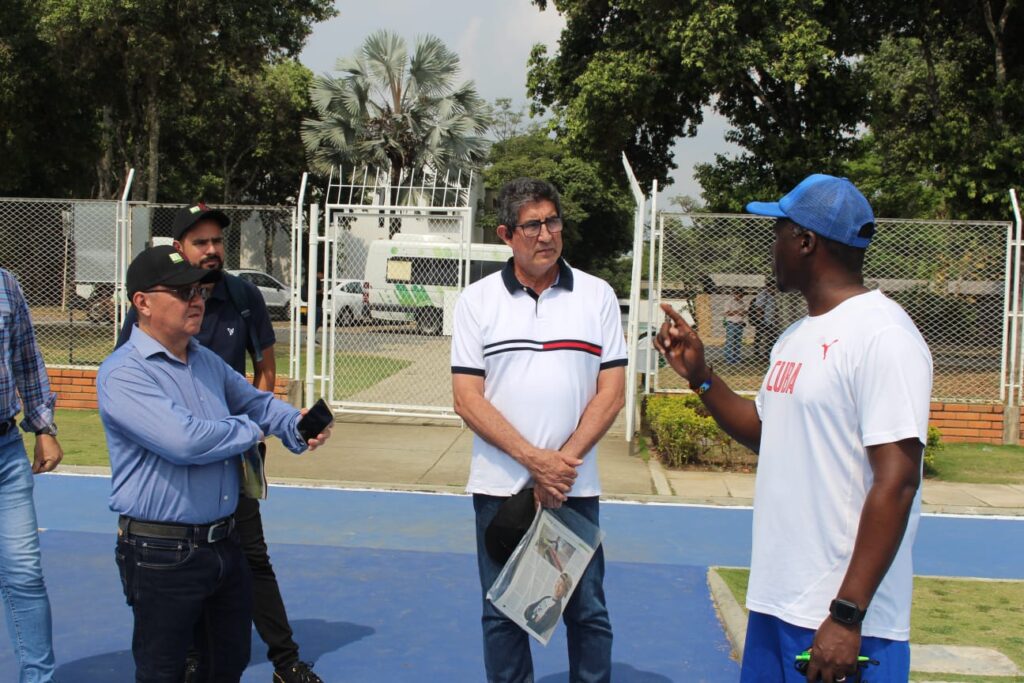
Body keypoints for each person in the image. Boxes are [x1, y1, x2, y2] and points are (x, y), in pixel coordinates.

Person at [654, 174, 932, 683]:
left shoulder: (885, 336)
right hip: (776, 606)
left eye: (778, 231)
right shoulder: (794, 336)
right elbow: (767, 432)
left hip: (843, 626)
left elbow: (898, 481)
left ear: (806, 242)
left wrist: (847, 614)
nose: (772, 246)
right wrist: (701, 377)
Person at [99, 245, 332, 682]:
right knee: (164, 671)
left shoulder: (203, 359)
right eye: (182, 291)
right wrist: (254, 430)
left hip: (224, 544)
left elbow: (256, 402)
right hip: (162, 553)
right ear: (142, 303)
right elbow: (184, 440)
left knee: (227, 664)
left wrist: (294, 425)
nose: (196, 300)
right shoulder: (123, 374)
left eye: (199, 291)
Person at [451, 177, 626, 682]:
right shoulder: (477, 302)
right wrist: (535, 461)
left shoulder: (597, 296)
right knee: (503, 614)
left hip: (573, 486)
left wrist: (559, 466)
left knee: (587, 612)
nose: (546, 234)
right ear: (507, 234)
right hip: (500, 491)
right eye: (533, 225)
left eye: (553, 221)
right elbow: (467, 399)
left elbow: (610, 393)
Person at [0, 268, 62, 682]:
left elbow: (26, 356)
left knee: (24, 574)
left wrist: (43, 427)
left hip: (5, 450)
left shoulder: (5, 283)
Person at [749, 276, 779, 361]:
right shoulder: (763, 293)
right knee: (760, 336)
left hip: (771, 320)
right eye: (772, 287)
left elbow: (774, 308)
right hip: (763, 320)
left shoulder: (773, 295)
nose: (774, 289)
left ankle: (767, 353)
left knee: (770, 337)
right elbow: (759, 308)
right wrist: (760, 320)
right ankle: (757, 353)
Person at [723, 289, 747, 364]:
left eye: (742, 295)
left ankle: (736, 358)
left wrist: (736, 311)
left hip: (740, 323)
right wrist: (738, 311)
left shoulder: (742, 303)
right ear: (735, 294)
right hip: (731, 323)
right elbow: (728, 313)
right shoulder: (729, 302)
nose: (740, 296)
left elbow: (744, 313)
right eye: (739, 294)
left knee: (738, 341)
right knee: (730, 341)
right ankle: (729, 359)